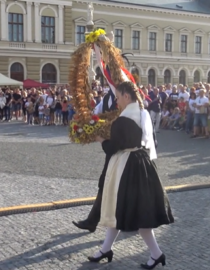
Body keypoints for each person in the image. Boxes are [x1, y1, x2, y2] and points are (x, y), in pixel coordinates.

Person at [87, 81, 173, 269]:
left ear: (127, 96)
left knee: (131, 212)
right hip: (141, 163)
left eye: (118, 97)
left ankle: (156, 253)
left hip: (126, 167)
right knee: (123, 211)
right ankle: (106, 249)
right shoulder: (141, 114)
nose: (116, 102)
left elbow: (112, 148)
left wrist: (100, 139)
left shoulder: (123, 120)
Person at [72, 90, 118, 233]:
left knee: (127, 187)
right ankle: (92, 221)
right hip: (113, 148)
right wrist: (85, 120)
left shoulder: (127, 95)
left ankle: (139, 221)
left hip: (122, 148)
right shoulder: (107, 97)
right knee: (104, 184)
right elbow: (95, 114)